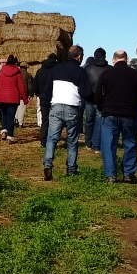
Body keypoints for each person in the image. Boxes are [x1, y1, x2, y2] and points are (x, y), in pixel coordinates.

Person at [95, 50, 137, 183]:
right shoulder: (136, 75)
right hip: (130, 115)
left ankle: (110, 175)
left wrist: (102, 109)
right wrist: (136, 109)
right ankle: (128, 174)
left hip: (110, 114)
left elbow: (98, 95)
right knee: (130, 143)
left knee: (108, 145)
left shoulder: (106, 74)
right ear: (127, 59)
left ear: (113, 60)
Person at [42, 45, 91, 181]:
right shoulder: (81, 72)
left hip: (56, 106)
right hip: (72, 108)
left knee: (52, 138)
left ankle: (48, 163)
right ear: (79, 57)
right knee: (72, 140)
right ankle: (71, 169)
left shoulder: (56, 69)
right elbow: (86, 92)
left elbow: (48, 89)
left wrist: (48, 104)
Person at [0, 54, 29, 143]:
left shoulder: (1, 71)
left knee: (4, 115)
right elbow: (21, 87)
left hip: (0, 97)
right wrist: (25, 99)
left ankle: (4, 130)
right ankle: (10, 136)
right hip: (13, 98)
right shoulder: (17, 72)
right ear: (15, 63)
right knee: (11, 117)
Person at [83, 47, 110, 153]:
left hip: (89, 99)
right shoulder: (109, 69)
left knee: (89, 121)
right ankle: (97, 145)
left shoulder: (87, 68)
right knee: (99, 122)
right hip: (102, 99)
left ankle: (88, 143)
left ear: (94, 56)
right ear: (105, 56)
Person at [34, 53, 58, 148]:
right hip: (53, 97)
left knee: (45, 119)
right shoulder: (56, 70)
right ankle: (52, 140)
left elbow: (35, 85)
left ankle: (43, 140)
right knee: (54, 120)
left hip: (43, 97)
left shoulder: (40, 71)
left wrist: (38, 94)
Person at [14, 62, 34, 127]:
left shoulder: (15, 74)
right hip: (23, 95)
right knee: (21, 109)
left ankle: (16, 120)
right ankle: (20, 123)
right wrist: (31, 94)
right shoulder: (28, 75)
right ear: (26, 68)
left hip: (15, 94)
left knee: (15, 108)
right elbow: (30, 86)